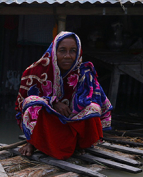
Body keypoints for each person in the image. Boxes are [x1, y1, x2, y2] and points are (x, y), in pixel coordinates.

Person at [15, 31, 112, 160]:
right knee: (32, 102)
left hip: (72, 121)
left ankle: (77, 144)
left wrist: (79, 105)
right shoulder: (35, 71)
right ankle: (32, 142)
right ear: (54, 51)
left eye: (73, 51)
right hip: (48, 125)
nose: (68, 56)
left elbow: (101, 103)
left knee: (94, 107)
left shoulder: (84, 74)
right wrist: (53, 102)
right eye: (62, 51)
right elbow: (21, 105)